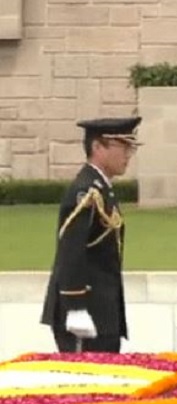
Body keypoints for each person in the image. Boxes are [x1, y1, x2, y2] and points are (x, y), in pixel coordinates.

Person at [41, 117, 142, 353]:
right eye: (123, 147)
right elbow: (71, 249)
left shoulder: (101, 188)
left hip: (102, 311)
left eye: (131, 147)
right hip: (86, 312)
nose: (128, 154)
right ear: (98, 147)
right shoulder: (85, 191)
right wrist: (75, 307)